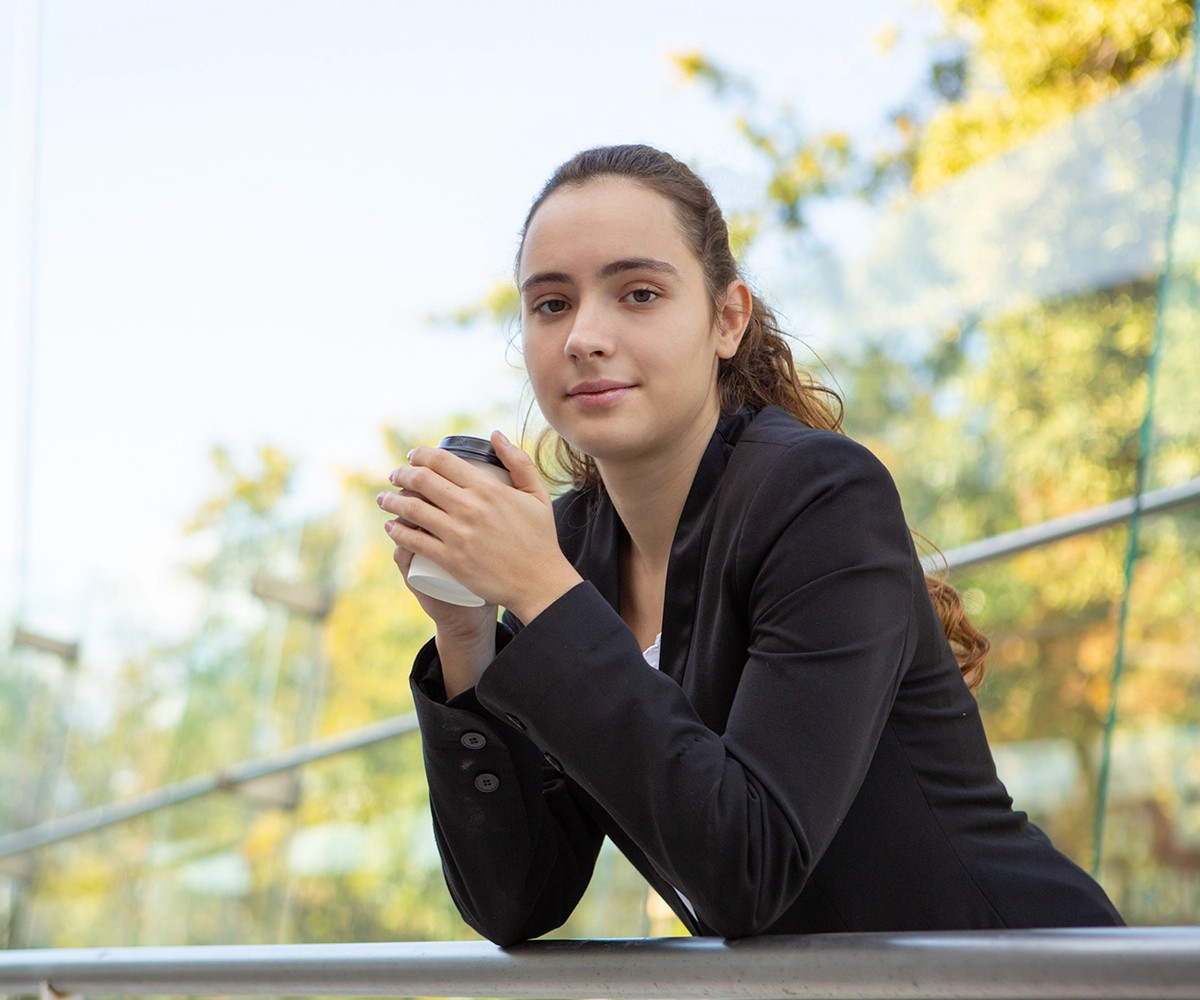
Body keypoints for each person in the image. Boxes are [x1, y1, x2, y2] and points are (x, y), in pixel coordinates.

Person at [376, 144, 1124, 945]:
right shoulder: (566, 549)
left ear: (727, 318)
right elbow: (516, 900)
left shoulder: (822, 496)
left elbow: (747, 868)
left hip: (1011, 974)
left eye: (638, 293)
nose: (584, 336)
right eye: (550, 304)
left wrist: (541, 594)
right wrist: (466, 638)